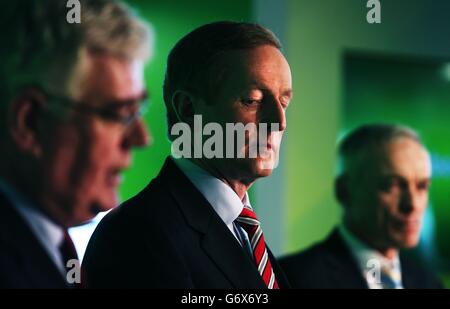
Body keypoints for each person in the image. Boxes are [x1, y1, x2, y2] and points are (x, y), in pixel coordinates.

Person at [83, 21, 293, 288]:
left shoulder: (244, 232)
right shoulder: (137, 234)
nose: (279, 121)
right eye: (252, 100)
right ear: (188, 110)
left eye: (284, 102)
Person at [0, 0, 151, 288]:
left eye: (138, 110)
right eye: (121, 113)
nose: (141, 139)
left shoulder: (52, 246)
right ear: (29, 122)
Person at [280, 124, 443, 289]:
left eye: (422, 186)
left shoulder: (429, 282)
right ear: (344, 191)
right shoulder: (289, 279)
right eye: (392, 185)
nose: (412, 204)